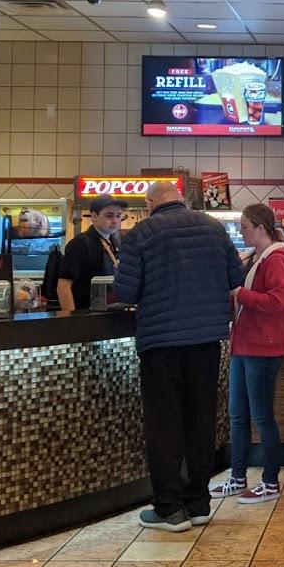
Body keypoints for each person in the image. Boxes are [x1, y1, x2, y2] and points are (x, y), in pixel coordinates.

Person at [114, 181, 243, 532]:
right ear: (181, 200)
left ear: (150, 203)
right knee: (201, 420)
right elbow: (236, 277)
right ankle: (198, 503)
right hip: (206, 340)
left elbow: (125, 291)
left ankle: (169, 508)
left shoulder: (141, 233)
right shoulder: (214, 228)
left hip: (161, 343)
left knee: (164, 424)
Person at [210, 203, 284, 505]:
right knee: (238, 414)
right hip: (245, 344)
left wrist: (240, 294)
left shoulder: (276, 259)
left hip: (262, 346)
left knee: (261, 416)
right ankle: (238, 476)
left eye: (245, 226)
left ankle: (270, 481)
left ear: (260, 227)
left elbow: (277, 301)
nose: (241, 231)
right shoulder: (257, 258)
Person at [57, 194, 126, 313]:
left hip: (110, 311)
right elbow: (63, 285)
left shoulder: (113, 242)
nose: (115, 221)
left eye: (119, 216)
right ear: (94, 216)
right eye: (109, 215)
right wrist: (71, 318)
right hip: (87, 315)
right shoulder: (80, 243)